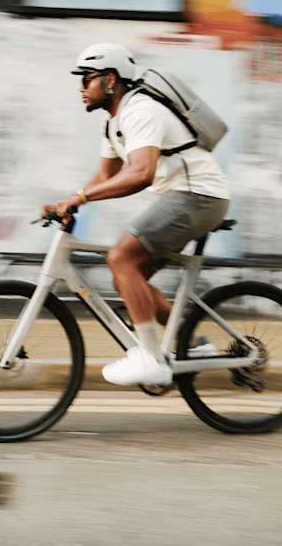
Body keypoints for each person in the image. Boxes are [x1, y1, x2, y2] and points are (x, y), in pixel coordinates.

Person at [43, 43, 231, 386]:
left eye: (87, 79)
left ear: (111, 79)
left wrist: (81, 197)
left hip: (199, 195)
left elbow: (141, 173)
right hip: (184, 196)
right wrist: (68, 202)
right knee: (128, 277)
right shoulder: (113, 123)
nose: (81, 88)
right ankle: (195, 346)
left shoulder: (140, 111)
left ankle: (151, 359)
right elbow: (105, 176)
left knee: (121, 258)